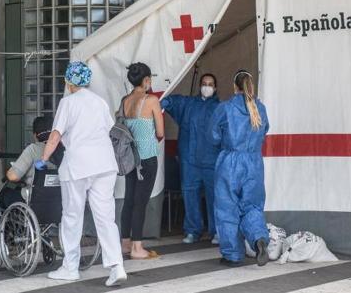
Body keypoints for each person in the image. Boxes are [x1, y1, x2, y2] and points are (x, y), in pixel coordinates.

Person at [39, 61, 127, 287]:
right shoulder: (99, 102)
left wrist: (43, 160)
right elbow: (107, 129)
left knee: (72, 216)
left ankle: (70, 267)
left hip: (78, 165)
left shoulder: (67, 102)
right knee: (106, 218)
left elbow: (55, 136)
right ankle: (116, 266)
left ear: (69, 81)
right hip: (105, 164)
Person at [209, 70, 270, 267]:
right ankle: (259, 238)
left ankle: (233, 255)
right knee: (252, 206)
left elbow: (213, 136)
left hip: (230, 162)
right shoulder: (260, 108)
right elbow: (265, 130)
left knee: (227, 208)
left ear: (235, 87)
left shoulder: (225, 108)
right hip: (254, 163)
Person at [161, 73, 220, 244]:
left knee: (215, 198)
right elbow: (168, 101)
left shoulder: (220, 108)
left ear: (215, 88)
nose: (206, 86)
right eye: (204, 83)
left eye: (210, 84)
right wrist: (154, 105)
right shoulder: (188, 104)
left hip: (212, 160)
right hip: (190, 160)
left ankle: (217, 231)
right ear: (199, 85)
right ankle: (193, 231)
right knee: (190, 195)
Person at [120, 62, 165, 260]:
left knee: (129, 199)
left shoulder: (124, 101)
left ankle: (125, 243)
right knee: (141, 202)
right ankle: (138, 248)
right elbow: (161, 133)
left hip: (129, 157)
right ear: (146, 80)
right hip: (146, 158)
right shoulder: (151, 100)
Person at [1, 116, 62, 209]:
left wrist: (8, 172)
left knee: (5, 194)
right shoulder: (63, 150)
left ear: (35, 135)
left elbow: (13, 176)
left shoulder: (33, 149)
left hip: (33, 203)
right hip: (56, 202)